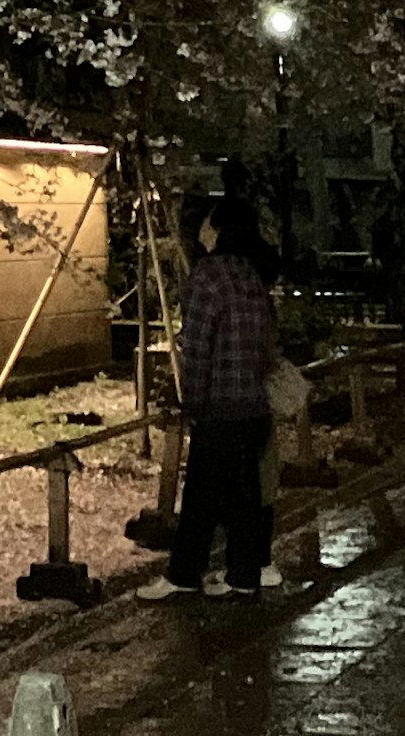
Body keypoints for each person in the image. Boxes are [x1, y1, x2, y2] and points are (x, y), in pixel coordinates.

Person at [140, 198, 279, 600]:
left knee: (200, 496)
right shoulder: (250, 274)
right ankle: (243, 576)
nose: (199, 229)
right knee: (244, 496)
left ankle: (183, 575)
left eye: (204, 223)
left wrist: (193, 400)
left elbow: (197, 347)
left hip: (220, 404)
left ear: (216, 229)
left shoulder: (208, 276)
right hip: (253, 405)